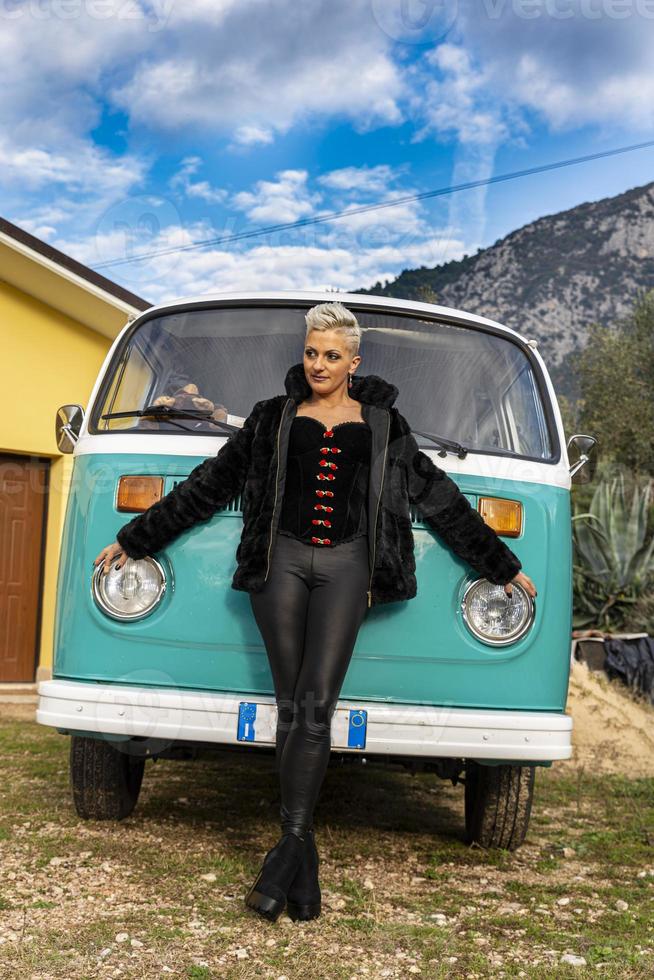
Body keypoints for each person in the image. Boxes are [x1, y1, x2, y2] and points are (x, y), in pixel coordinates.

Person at [94, 302, 537, 924]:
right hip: (279, 566)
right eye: (311, 352)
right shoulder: (274, 418)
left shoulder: (383, 422)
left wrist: (502, 565)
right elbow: (211, 482)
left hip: (348, 567)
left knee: (316, 703)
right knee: (291, 703)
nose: (319, 364)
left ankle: (291, 847)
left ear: (354, 362)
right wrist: (138, 538)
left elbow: (437, 495)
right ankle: (298, 851)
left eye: (332, 355)